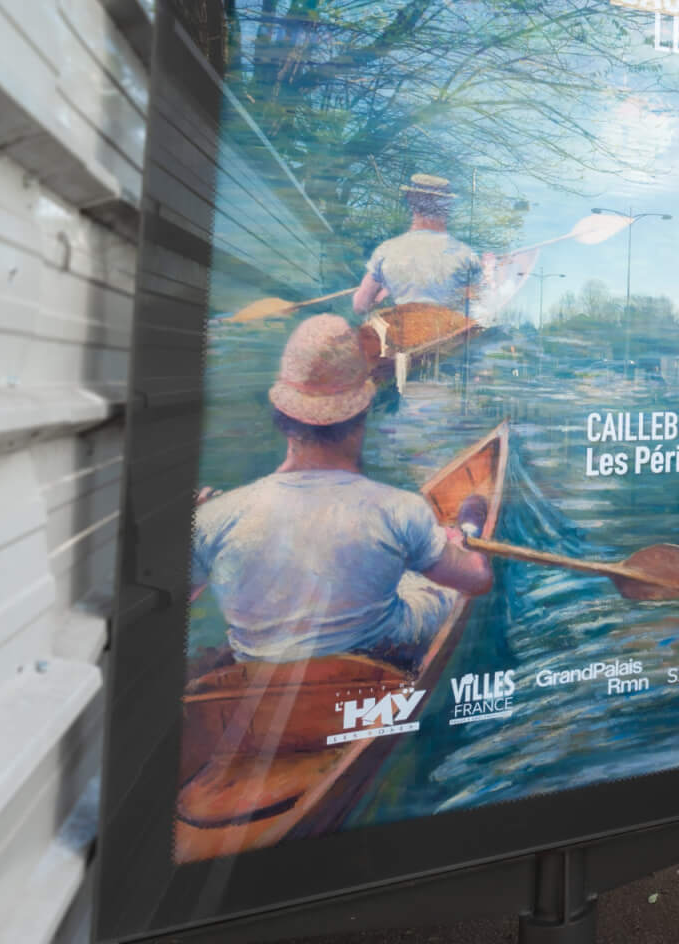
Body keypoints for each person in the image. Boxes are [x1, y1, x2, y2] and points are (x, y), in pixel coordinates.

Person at [191, 314, 493, 665]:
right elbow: (478, 581)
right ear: (361, 417)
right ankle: (465, 535)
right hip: (377, 655)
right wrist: (458, 548)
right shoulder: (399, 509)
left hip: (257, 669)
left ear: (282, 416)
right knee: (435, 579)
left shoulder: (214, 518)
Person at [352, 173, 484, 314]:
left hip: (398, 333)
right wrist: (488, 272)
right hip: (447, 331)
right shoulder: (466, 255)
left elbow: (360, 306)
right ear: (447, 206)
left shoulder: (385, 251)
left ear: (411, 202)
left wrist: (386, 292)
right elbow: (479, 308)